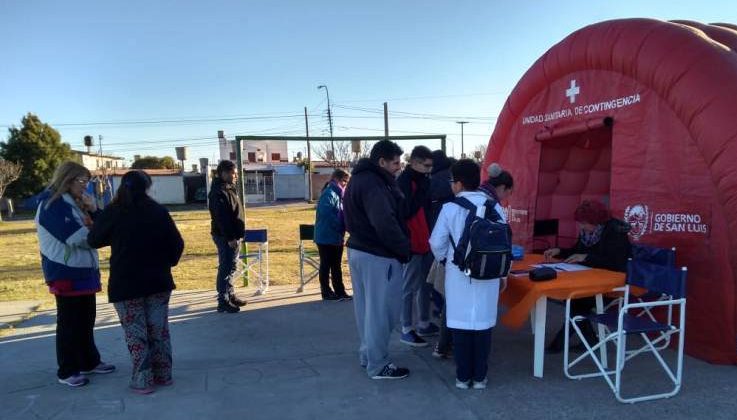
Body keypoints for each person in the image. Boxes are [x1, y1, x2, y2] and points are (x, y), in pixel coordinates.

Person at [88, 170, 183, 394]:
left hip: (126, 283)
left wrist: (96, 215)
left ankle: (143, 381)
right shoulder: (159, 211)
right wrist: (166, 263)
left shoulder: (114, 211)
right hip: (158, 281)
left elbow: (94, 240)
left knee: (135, 333)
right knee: (159, 331)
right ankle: (164, 375)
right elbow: (176, 244)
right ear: (148, 187)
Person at [34, 161, 115, 388]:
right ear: (67, 180)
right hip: (65, 271)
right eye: (81, 181)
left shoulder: (77, 203)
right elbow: (80, 238)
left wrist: (94, 211)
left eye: (87, 182)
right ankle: (67, 369)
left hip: (84, 270)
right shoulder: (53, 205)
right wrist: (101, 232)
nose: (85, 187)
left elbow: (100, 226)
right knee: (69, 323)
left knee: (86, 319)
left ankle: (89, 360)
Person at [429, 159, 507, 390]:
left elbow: (436, 242)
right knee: (483, 325)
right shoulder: (494, 206)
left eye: (452, 181)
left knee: (460, 324)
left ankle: (463, 378)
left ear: (460, 184)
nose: (451, 185)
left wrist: (448, 260)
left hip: (458, 273)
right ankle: (480, 377)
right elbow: (505, 241)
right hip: (489, 274)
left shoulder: (450, 208)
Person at [344, 140, 411, 380]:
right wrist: (404, 249)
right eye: (395, 162)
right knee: (383, 312)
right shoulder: (375, 183)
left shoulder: (359, 179)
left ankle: (369, 355)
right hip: (378, 255)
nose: (398, 167)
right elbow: (384, 222)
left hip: (360, 251)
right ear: (381, 162)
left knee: (366, 311)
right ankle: (378, 364)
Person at [543, 199, 632, 353]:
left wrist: (586, 258)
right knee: (575, 302)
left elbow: (615, 264)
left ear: (597, 221)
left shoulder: (615, 233)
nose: (581, 227)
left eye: (584, 223)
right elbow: (576, 252)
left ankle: (564, 343)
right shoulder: (587, 232)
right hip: (592, 280)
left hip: (612, 285)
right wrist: (559, 251)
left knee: (576, 302)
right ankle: (588, 341)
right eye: (580, 223)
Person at [396, 145, 438, 347]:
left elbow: (427, 210)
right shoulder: (404, 181)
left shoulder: (423, 181)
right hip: (411, 242)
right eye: (426, 165)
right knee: (409, 286)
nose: (429, 169)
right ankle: (406, 328)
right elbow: (406, 211)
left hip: (424, 240)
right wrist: (422, 190)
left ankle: (423, 322)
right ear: (414, 162)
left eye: (431, 165)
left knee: (424, 284)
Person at [427, 149, 456, 359]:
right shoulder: (489, 205)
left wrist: (444, 259)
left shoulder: (434, 184)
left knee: (448, 300)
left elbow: (436, 242)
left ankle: (443, 345)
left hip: (448, 255)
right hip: (472, 263)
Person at [208, 160, 247, 313]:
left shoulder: (229, 188)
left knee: (232, 266)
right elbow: (221, 218)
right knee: (225, 267)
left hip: (233, 236)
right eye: (233, 173)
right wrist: (230, 238)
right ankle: (222, 300)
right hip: (226, 237)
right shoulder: (218, 192)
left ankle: (230, 295)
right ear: (223, 173)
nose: (235, 175)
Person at [314, 168, 351, 301]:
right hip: (326, 236)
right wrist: (341, 226)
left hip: (335, 236)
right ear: (337, 179)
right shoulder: (329, 193)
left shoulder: (338, 195)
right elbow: (327, 214)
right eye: (344, 181)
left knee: (336, 265)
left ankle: (340, 291)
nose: (345, 184)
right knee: (326, 265)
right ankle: (326, 292)